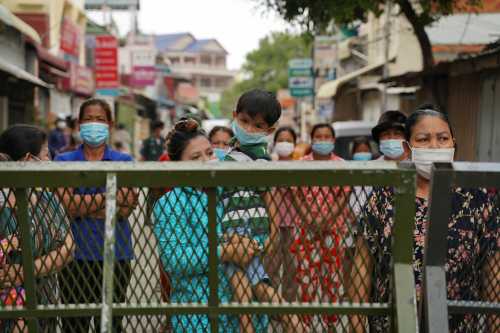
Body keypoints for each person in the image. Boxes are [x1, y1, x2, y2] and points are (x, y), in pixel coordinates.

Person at [348, 108, 499, 332]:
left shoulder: (477, 200)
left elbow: (493, 274)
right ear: (407, 148)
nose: (435, 147)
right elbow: (361, 270)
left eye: (442, 138)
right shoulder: (384, 199)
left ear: (453, 144)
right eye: (423, 139)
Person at [223, 89, 303, 332]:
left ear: (269, 130)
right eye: (244, 121)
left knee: (243, 284)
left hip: (240, 228)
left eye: (257, 126)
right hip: (246, 227)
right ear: (234, 116)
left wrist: (273, 231)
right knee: (253, 282)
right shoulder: (238, 150)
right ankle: (292, 322)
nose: (248, 130)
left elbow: (268, 196)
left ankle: (290, 322)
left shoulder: (259, 158)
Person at [55, 99, 137, 333]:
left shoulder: (123, 161)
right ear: (79, 124)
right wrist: (109, 196)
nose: (94, 124)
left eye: (100, 119)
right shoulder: (63, 161)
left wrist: (82, 205)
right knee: (75, 324)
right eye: (89, 119)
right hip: (73, 257)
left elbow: (126, 207)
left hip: (116, 255)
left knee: (111, 324)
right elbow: (67, 207)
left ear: (110, 125)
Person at [153, 118, 241, 332]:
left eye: (209, 153)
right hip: (194, 315)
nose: (207, 160)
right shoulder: (169, 203)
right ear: (178, 165)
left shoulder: (229, 191)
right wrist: (225, 252)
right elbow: (176, 262)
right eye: (195, 157)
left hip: (238, 309)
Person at [0, 125, 74, 332]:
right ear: (26, 160)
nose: (49, 160)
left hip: (45, 304)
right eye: (45, 154)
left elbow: (68, 247)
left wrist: (25, 271)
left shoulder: (46, 198)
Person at [292, 123, 351, 330]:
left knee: (332, 280)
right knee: (306, 280)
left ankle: (331, 324)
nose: (323, 140)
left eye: (327, 137)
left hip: (333, 229)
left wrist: (325, 221)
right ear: (312, 139)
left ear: (333, 141)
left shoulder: (342, 164)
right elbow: (295, 194)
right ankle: (305, 325)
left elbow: (344, 195)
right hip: (304, 229)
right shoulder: (300, 164)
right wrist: (310, 220)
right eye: (319, 137)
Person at [264, 127, 299, 303]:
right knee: (271, 267)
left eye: (289, 140)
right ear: (275, 143)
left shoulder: (301, 167)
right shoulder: (269, 165)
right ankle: (274, 305)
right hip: (274, 223)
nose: (284, 144)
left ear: (295, 144)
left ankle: (289, 305)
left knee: (292, 268)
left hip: (295, 224)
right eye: (281, 140)